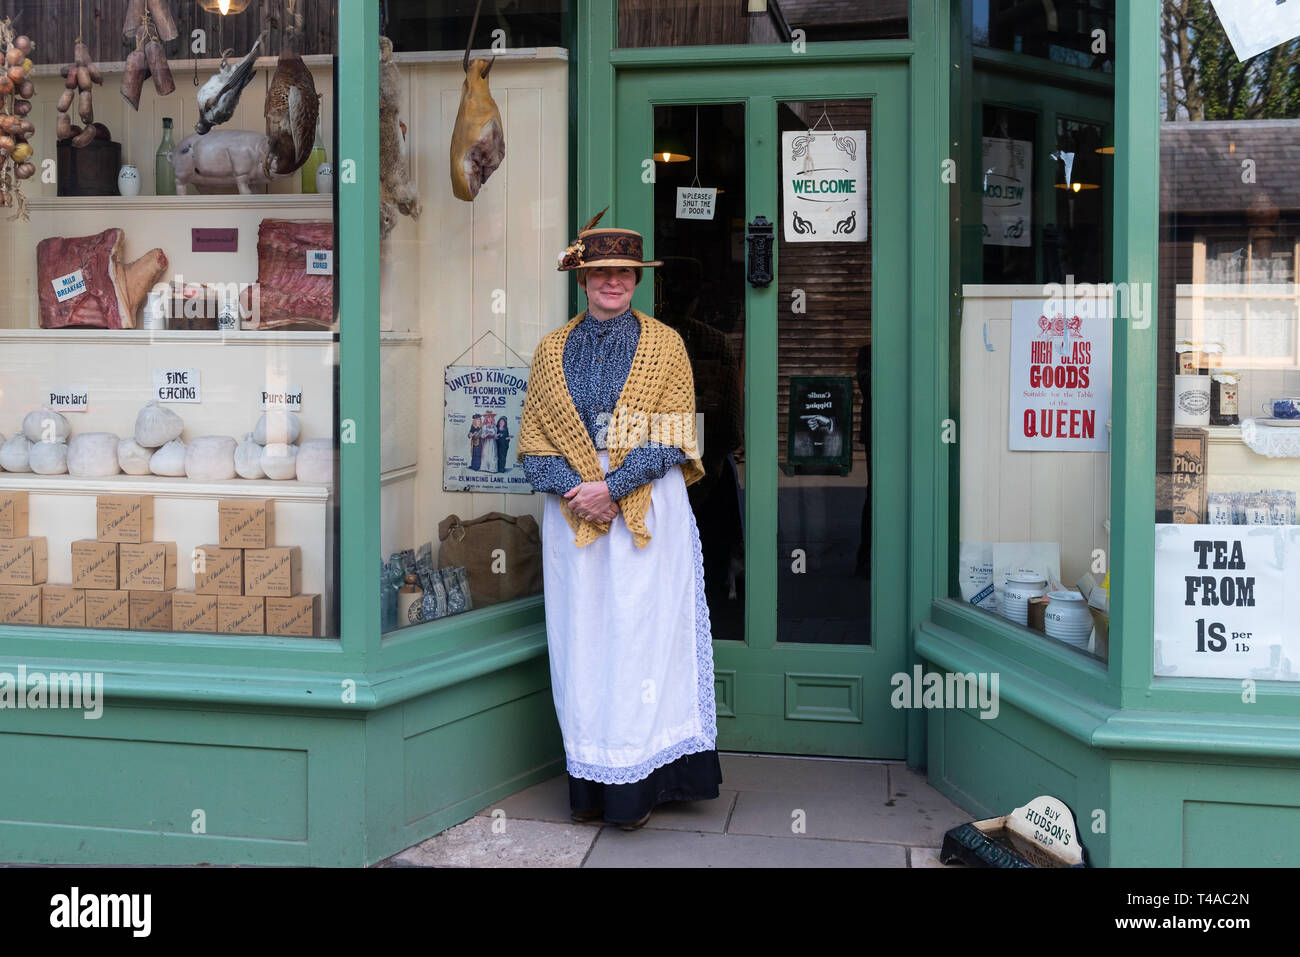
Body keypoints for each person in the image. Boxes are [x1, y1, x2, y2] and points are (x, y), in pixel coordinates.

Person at [517, 207, 722, 830]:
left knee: (640, 638)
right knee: (583, 639)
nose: (614, 283)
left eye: (625, 274)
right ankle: (591, 782)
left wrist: (612, 486)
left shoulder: (664, 344)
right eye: (603, 273)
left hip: (646, 510)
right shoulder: (553, 349)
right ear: (583, 278)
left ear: (638, 279)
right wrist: (579, 491)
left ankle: (644, 782)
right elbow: (533, 444)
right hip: (573, 509)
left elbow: (672, 436)